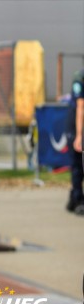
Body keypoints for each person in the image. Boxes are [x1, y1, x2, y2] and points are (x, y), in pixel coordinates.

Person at [65, 69, 84, 214]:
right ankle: (78, 199)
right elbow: (80, 107)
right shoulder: (80, 78)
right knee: (77, 164)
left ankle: (74, 197)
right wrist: (79, 135)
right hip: (77, 126)